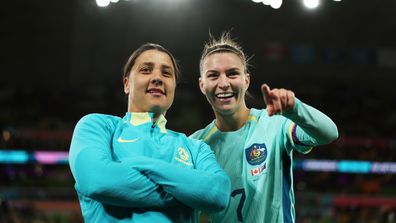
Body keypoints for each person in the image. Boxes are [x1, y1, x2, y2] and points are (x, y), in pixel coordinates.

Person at [68, 43, 231, 223]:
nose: (157, 78)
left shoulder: (195, 147)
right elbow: (97, 181)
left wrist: (139, 164)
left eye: (166, 73)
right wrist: (187, 194)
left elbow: (218, 194)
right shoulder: (97, 126)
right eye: (146, 70)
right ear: (126, 84)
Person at [190, 33, 339, 223]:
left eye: (232, 73)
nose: (224, 83)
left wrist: (296, 108)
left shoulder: (275, 124)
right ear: (202, 85)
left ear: (246, 80)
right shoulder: (194, 144)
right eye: (213, 75)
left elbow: (329, 133)